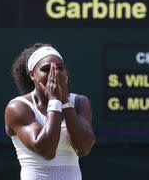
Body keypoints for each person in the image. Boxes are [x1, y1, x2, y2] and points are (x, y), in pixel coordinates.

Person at [5, 43, 96, 180]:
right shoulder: (18, 107)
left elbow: (82, 148)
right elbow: (47, 151)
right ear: (32, 75)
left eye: (60, 68)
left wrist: (64, 101)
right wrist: (55, 101)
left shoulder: (80, 102)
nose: (55, 73)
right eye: (46, 69)